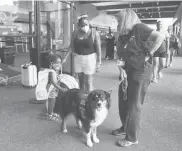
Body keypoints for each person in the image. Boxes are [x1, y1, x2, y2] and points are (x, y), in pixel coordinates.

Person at [112, 9, 165, 147]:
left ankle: (131, 137)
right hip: (127, 70)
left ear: (126, 19)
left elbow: (159, 37)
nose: (117, 23)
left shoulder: (139, 28)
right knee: (123, 100)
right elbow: (120, 54)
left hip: (141, 71)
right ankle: (125, 127)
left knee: (134, 105)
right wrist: (121, 70)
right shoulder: (124, 34)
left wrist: (149, 53)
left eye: (119, 20)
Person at [62, 14, 102, 95]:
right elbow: (71, 46)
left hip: (90, 58)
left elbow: (99, 49)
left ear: (89, 24)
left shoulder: (94, 33)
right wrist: (65, 57)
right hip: (78, 58)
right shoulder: (75, 32)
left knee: (88, 82)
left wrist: (99, 62)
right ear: (79, 25)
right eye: (82, 25)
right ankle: (81, 98)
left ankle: (90, 99)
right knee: (81, 81)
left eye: (86, 25)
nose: (84, 26)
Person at [39, 54, 67, 120]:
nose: (58, 64)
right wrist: (61, 88)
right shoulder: (51, 72)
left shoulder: (55, 71)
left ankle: (51, 112)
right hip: (51, 90)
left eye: (59, 63)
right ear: (51, 64)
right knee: (51, 103)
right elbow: (53, 83)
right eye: (56, 63)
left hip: (54, 90)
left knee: (53, 102)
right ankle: (49, 115)